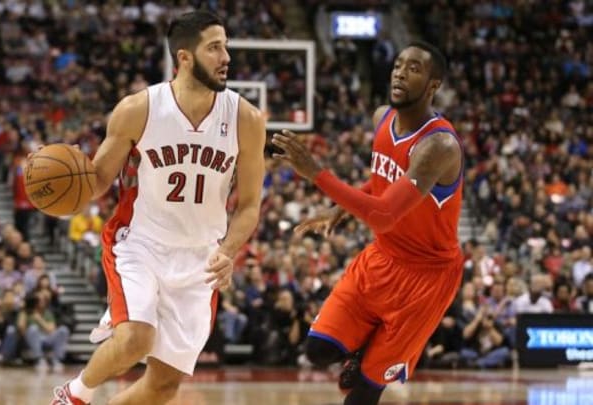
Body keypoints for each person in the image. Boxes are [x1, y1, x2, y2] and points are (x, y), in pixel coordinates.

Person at [49, 10, 266, 405]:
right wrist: (68, 191)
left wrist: (229, 251)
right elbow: (98, 180)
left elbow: (250, 205)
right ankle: (72, 395)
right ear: (184, 57)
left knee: (163, 387)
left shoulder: (246, 120)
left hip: (201, 257)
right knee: (135, 338)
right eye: (215, 48)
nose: (226, 57)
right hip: (141, 244)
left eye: (226, 47)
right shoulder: (139, 109)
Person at [271, 41, 463, 405]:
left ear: (434, 85)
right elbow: (384, 183)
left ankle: (372, 365)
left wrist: (316, 174)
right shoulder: (382, 118)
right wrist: (340, 210)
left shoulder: (439, 146)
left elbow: (385, 214)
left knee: (363, 392)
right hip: (382, 258)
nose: (401, 72)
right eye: (398, 64)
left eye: (414, 68)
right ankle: (365, 353)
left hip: (425, 275)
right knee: (318, 350)